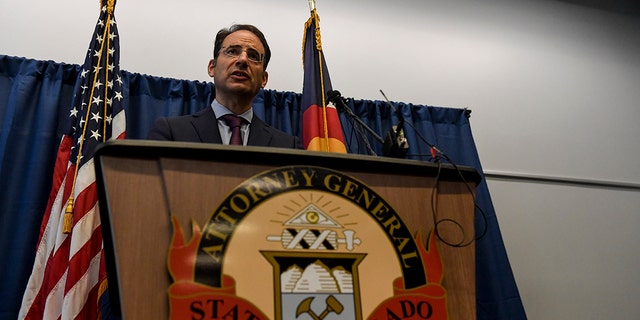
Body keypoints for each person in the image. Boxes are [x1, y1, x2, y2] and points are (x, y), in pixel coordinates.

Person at [147, 24, 301, 149]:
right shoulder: (171, 133)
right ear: (212, 68)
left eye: (253, 56)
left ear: (264, 79)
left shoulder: (289, 147)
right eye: (232, 51)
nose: (242, 60)